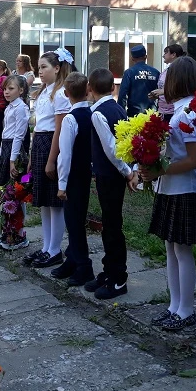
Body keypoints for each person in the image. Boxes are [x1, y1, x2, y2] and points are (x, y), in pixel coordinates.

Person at [143, 55, 196, 331]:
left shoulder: (188, 114)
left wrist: (160, 170)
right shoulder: (178, 110)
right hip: (171, 188)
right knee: (171, 249)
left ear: (177, 81)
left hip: (185, 189)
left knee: (182, 251)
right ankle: (174, 306)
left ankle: (186, 310)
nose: (163, 84)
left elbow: (194, 159)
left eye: (167, 79)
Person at [82, 68, 139, 298]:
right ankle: (108, 271)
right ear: (113, 88)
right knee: (109, 223)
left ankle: (118, 278)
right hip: (113, 174)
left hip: (110, 175)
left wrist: (128, 173)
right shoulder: (118, 108)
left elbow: (112, 150)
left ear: (90, 89)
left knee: (112, 226)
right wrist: (130, 169)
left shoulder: (97, 114)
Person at [23, 49, 71, 269]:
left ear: (57, 68)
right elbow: (38, 126)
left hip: (53, 144)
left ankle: (55, 250)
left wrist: (51, 160)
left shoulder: (60, 93)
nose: (40, 71)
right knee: (43, 200)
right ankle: (46, 247)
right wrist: (32, 154)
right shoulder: (44, 91)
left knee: (54, 202)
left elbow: (59, 129)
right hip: (41, 144)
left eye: (44, 67)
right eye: (39, 67)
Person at [53, 73, 94, 286]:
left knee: (74, 222)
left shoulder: (70, 119)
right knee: (76, 218)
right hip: (85, 173)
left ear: (66, 93)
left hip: (73, 176)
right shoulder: (92, 113)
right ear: (87, 90)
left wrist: (62, 184)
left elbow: (65, 155)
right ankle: (73, 259)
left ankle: (84, 266)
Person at [0, 74, 31, 249]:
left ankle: (19, 234)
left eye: (11, 88)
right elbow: (5, 134)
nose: (6, 92)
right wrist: (2, 155)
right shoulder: (9, 107)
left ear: (21, 90)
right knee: (8, 193)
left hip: (16, 153)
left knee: (18, 192)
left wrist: (12, 160)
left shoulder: (21, 108)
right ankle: (9, 231)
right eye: (5, 89)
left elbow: (18, 136)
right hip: (7, 150)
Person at [117, 44, 160, 117]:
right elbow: (161, 93)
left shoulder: (129, 72)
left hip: (134, 114)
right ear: (146, 57)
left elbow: (122, 94)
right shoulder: (156, 72)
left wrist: (121, 113)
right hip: (152, 113)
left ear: (132, 58)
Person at [149, 44, 186, 123]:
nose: (163, 56)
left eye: (166, 53)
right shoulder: (167, 70)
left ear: (173, 55)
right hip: (163, 111)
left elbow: (181, 89)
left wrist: (163, 91)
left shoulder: (180, 70)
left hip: (173, 112)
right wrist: (157, 95)